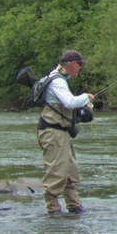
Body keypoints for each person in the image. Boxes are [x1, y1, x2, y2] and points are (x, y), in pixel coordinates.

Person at [36, 49, 96, 215]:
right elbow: (69, 102)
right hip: (52, 133)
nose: (80, 69)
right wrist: (87, 97)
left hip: (61, 133)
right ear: (72, 64)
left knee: (70, 172)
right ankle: (53, 210)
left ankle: (74, 206)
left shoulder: (60, 78)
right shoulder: (57, 81)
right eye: (79, 65)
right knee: (57, 173)